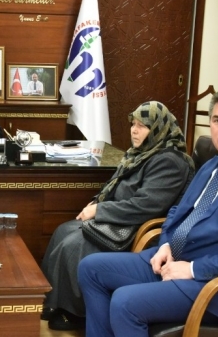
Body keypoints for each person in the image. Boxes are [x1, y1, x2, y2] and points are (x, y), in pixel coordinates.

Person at [78, 87, 218, 337]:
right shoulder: (213, 165)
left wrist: (192, 269)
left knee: (125, 302)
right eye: (217, 120)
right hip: (174, 259)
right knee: (90, 268)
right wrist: (165, 244)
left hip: (215, 286)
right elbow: (177, 212)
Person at [41, 101, 195, 331]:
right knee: (63, 231)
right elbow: (115, 185)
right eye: (133, 124)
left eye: (142, 126)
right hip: (121, 217)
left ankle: (77, 312)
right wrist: (98, 201)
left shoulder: (170, 161)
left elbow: (146, 206)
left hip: (138, 226)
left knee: (74, 244)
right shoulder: (142, 153)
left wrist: (99, 211)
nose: (134, 130)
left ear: (158, 129)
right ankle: (54, 302)